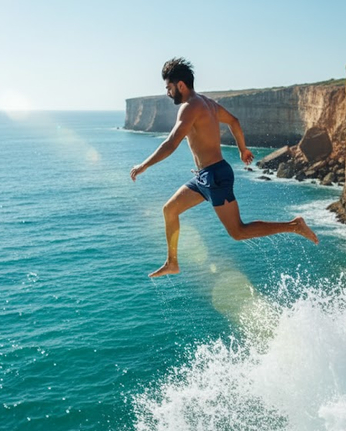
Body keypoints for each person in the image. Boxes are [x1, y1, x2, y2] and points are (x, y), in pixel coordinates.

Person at [130, 58, 319, 278]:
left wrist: (143, 165)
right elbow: (234, 121)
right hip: (204, 177)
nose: (168, 93)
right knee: (169, 210)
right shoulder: (208, 103)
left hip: (215, 176)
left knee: (238, 231)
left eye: (169, 88)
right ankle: (172, 262)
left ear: (180, 85)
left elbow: (171, 143)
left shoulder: (189, 107)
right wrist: (242, 149)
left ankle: (294, 225)